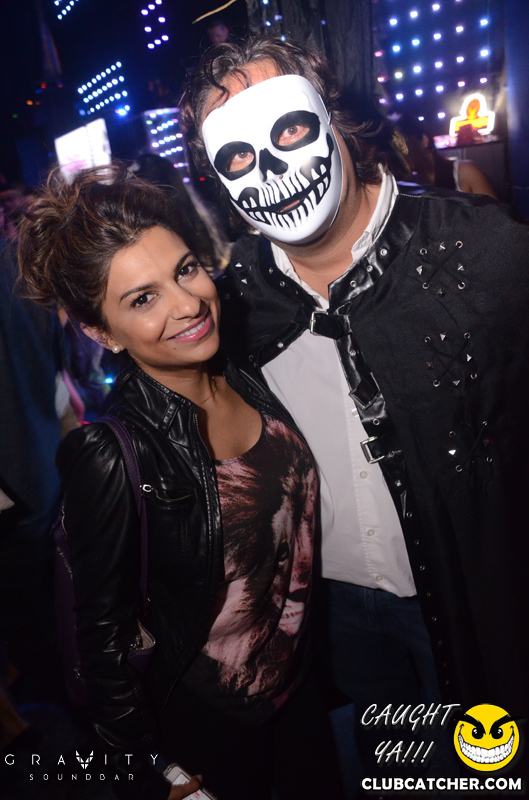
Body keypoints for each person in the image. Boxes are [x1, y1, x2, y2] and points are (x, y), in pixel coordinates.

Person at [180, 34, 529, 779]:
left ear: (336, 120)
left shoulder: (484, 254)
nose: (268, 169)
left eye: (289, 131)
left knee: (490, 772)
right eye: (236, 157)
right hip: (340, 615)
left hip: (484, 602)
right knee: (399, 775)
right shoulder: (237, 303)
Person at [17, 164, 344, 800]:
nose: (188, 304)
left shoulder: (243, 371)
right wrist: (152, 769)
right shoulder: (110, 456)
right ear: (99, 331)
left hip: (296, 689)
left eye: (185, 270)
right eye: (143, 299)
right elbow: (100, 644)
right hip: (206, 725)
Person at [395, 113, 498, 198]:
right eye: (396, 150)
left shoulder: (465, 171)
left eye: (405, 145)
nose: (400, 154)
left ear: (424, 141)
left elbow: (494, 214)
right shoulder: (411, 184)